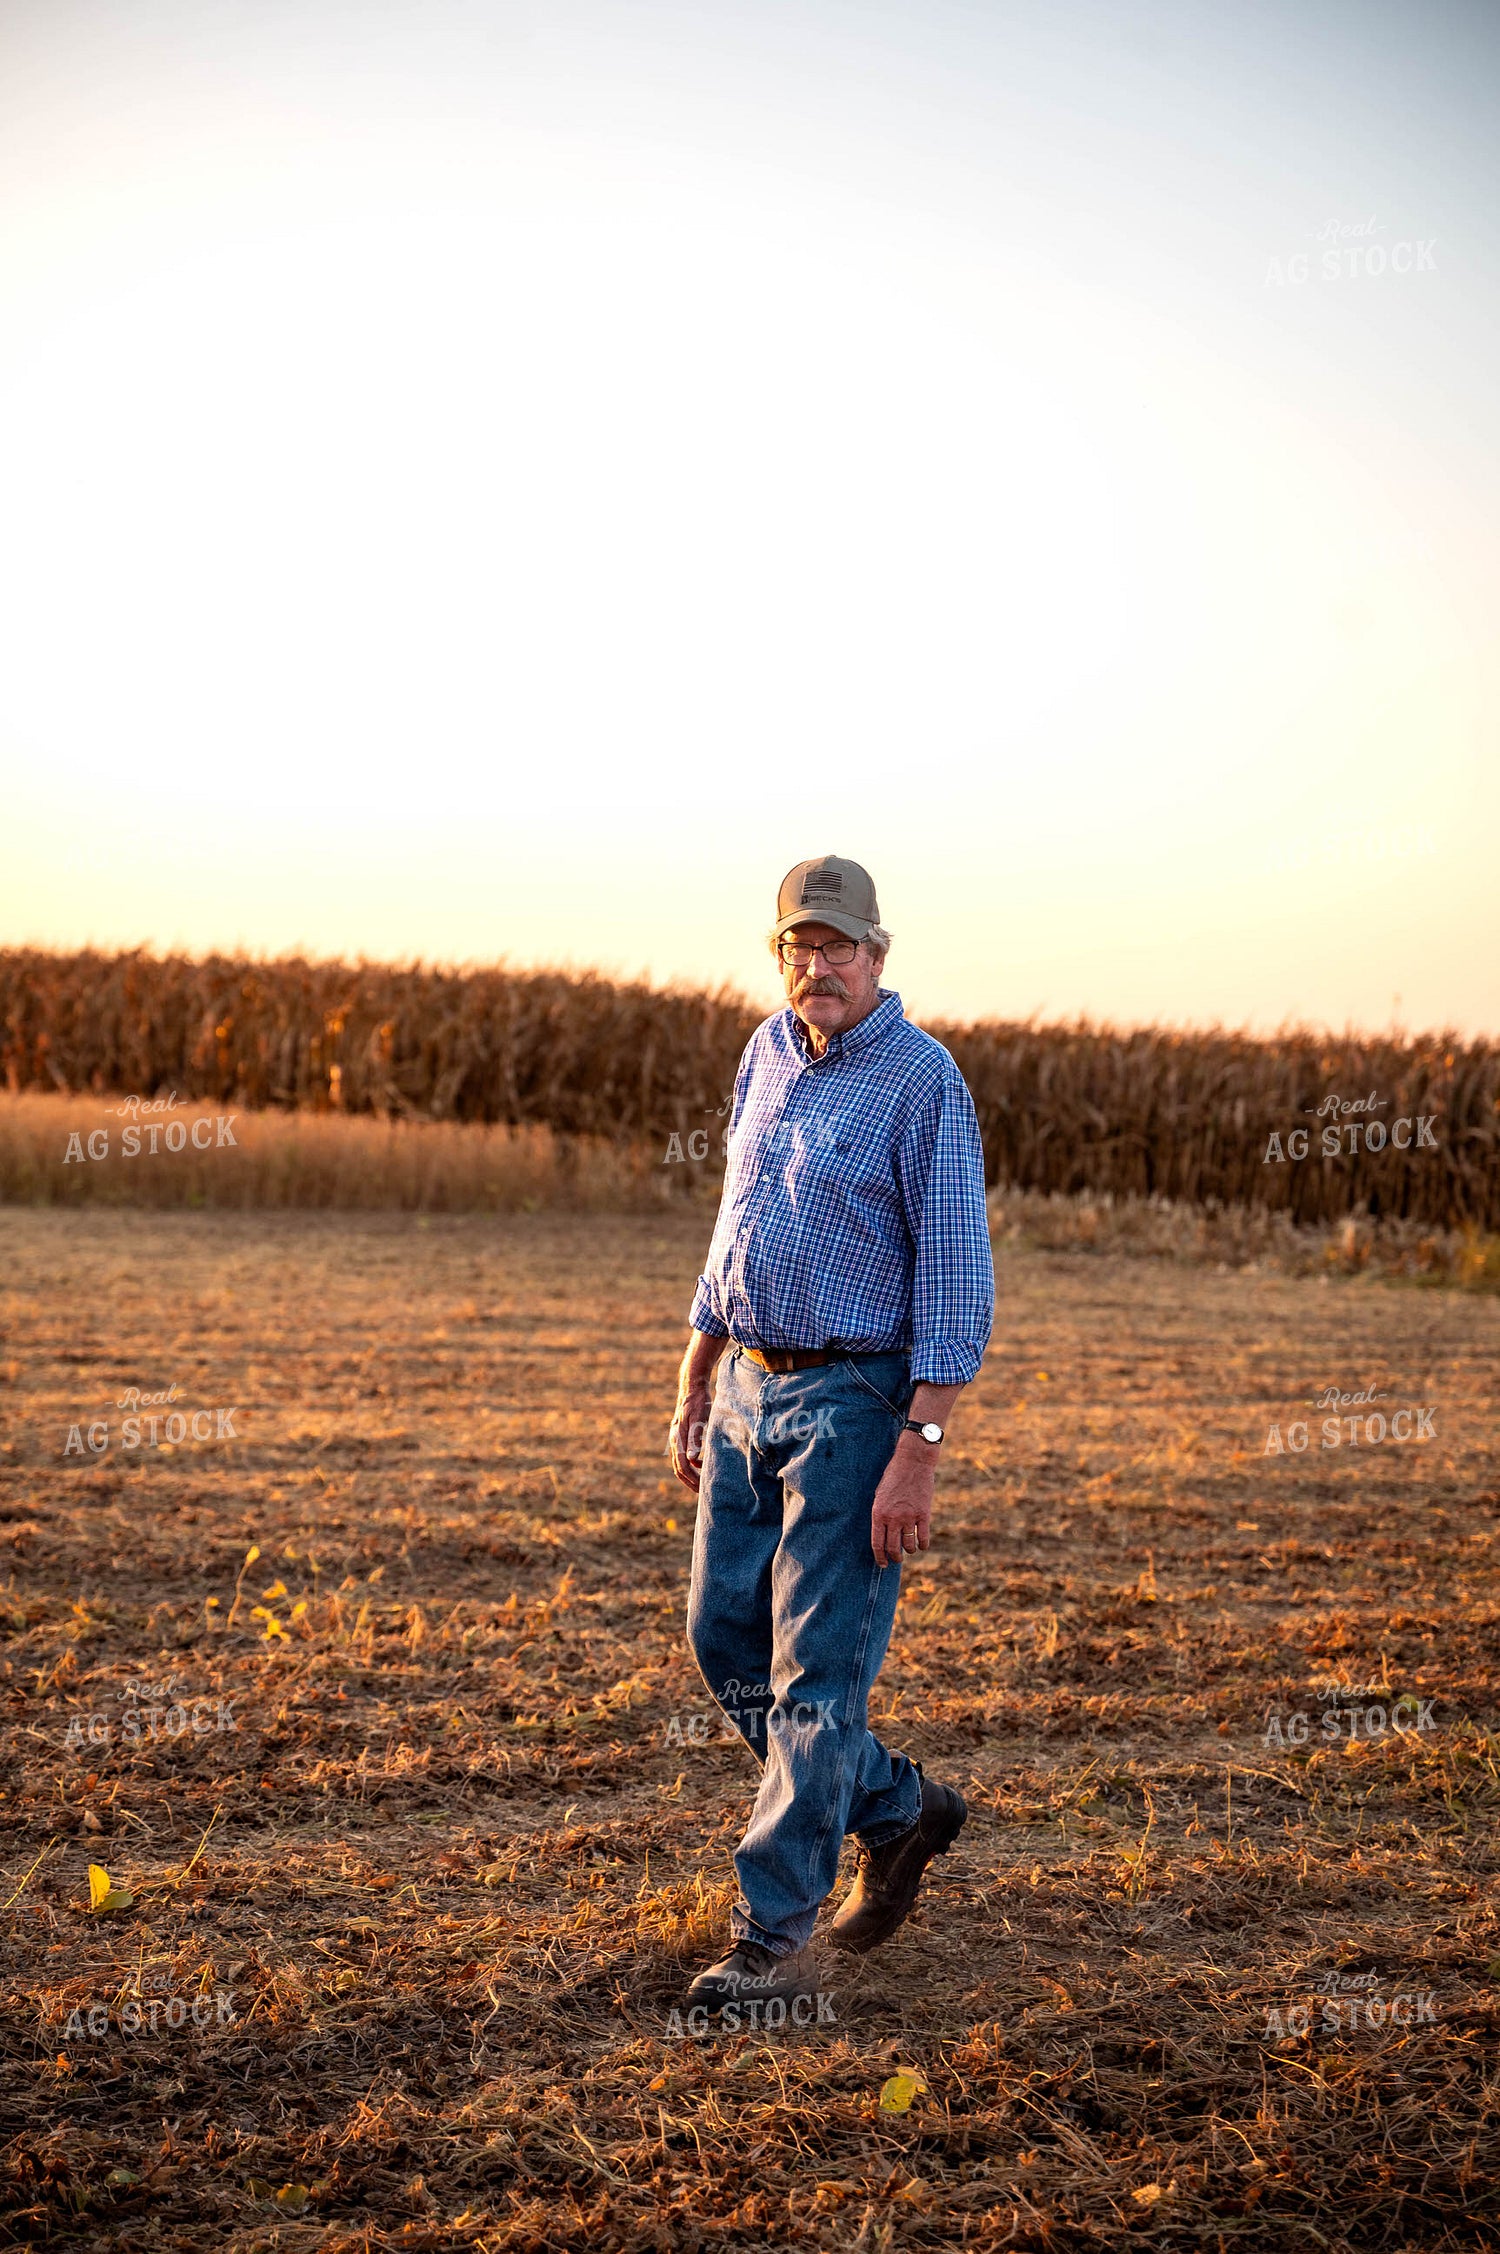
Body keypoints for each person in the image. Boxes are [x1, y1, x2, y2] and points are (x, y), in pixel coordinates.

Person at [668, 854, 995, 2021]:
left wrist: (922, 1445)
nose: (819, 965)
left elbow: (956, 1278)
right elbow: (737, 1220)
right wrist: (698, 1366)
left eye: (839, 946)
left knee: (815, 1679)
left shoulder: (923, 1080)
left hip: (857, 1403)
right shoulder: (765, 1052)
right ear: (780, 957)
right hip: (748, 1387)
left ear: (877, 954)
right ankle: (898, 1806)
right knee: (721, 1636)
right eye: (799, 946)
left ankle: (772, 1942)